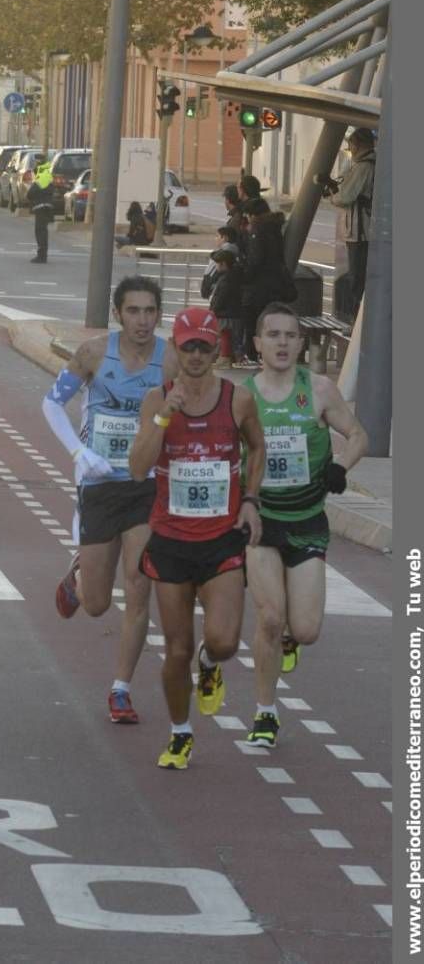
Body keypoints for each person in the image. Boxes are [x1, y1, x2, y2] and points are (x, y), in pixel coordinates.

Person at [129, 306, 265, 769]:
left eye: (204, 347)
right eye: (187, 346)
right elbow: (137, 466)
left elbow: (258, 447)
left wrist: (250, 499)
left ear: (216, 350)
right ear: (175, 348)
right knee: (176, 647)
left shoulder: (238, 400)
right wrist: (164, 418)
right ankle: (180, 732)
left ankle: (210, 666)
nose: (195, 355)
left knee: (223, 641)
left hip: (221, 539)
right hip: (170, 540)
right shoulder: (156, 398)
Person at [44, 276, 178, 724]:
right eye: (133, 311)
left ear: (159, 314)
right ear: (118, 313)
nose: (142, 320)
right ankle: (80, 576)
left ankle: (121, 689)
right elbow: (50, 404)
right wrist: (79, 454)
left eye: (150, 311)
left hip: (146, 485)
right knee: (99, 603)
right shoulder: (95, 353)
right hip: (99, 484)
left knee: (140, 586)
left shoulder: (171, 360)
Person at [242, 303, 368, 748]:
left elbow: (358, 436)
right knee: (270, 617)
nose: (281, 342)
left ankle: (290, 642)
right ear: (257, 343)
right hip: (260, 522)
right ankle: (265, 713)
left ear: (300, 343)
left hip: (307, 520)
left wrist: (340, 467)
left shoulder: (317, 390)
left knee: (306, 629)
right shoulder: (243, 397)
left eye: (289, 335)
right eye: (272, 335)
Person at [322, 127, 376, 324]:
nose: (350, 149)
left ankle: (356, 320)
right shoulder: (363, 164)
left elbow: (347, 196)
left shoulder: (364, 166)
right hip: (359, 230)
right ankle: (357, 318)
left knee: (357, 278)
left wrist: (332, 197)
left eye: (351, 144)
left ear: (360, 144)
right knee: (357, 276)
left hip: (361, 231)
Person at [240, 197, 296, 366]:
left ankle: (252, 355)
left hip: (259, 286)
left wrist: (245, 275)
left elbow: (256, 259)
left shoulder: (259, 228)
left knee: (252, 321)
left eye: (248, 216)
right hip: (274, 284)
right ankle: (268, 355)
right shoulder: (274, 226)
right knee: (269, 321)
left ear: (253, 215)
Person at [209, 248, 244, 368]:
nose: (216, 267)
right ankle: (230, 356)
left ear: (223, 264)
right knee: (231, 337)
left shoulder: (226, 279)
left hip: (226, 313)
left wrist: (213, 309)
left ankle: (225, 358)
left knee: (224, 334)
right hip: (234, 312)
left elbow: (221, 298)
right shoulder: (236, 276)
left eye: (217, 264)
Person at [26, 161, 55, 263]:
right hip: (48, 208)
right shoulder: (48, 179)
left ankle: (41, 256)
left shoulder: (39, 181)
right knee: (44, 231)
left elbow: (30, 194)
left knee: (40, 232)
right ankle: (43, 255)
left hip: (40, 208)